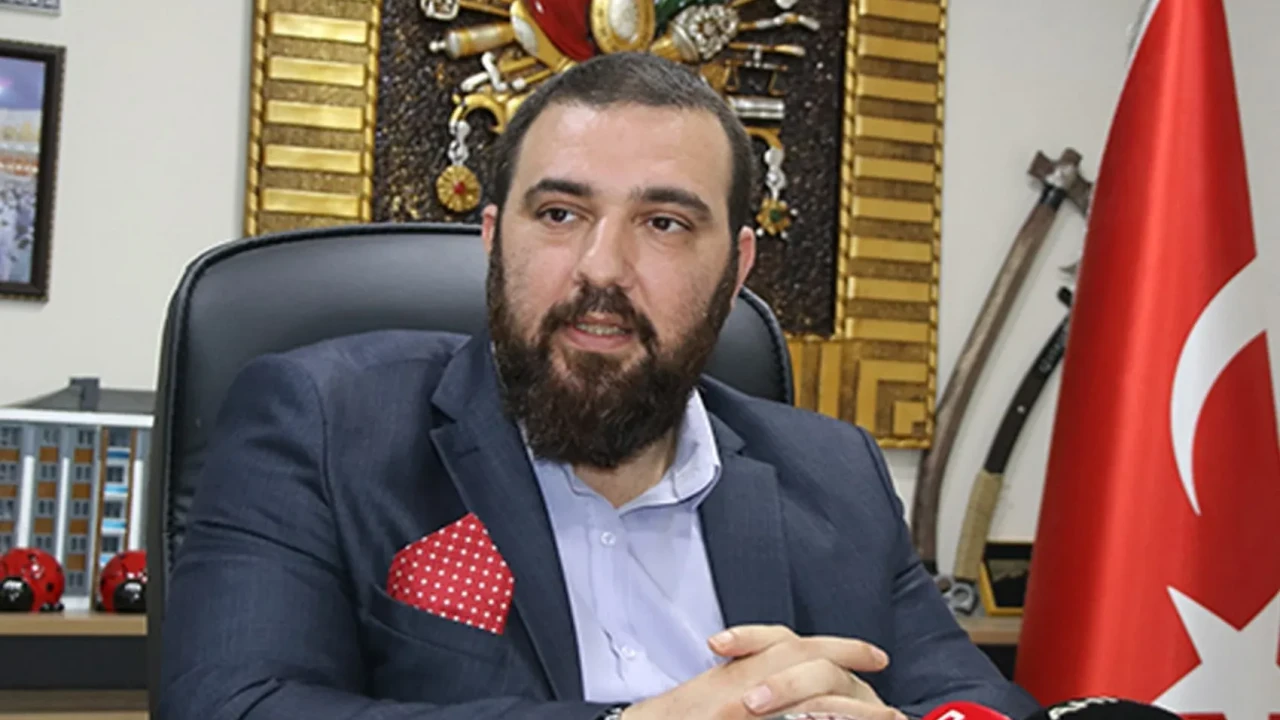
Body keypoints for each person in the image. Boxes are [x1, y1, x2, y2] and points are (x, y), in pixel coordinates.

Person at [158, 52, 1041, 720]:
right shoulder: (320, 422)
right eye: (560, 214)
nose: (601, 267)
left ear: (737, 269)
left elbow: (978, 701)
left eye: (664, 223)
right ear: (493, 239)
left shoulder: (832, 471)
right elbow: (231, 706)